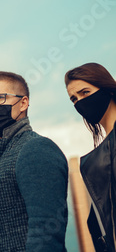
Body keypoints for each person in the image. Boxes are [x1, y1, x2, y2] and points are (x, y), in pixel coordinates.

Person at [0, 71, 68, 251]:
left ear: (23, 103)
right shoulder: (0, 155)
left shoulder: (36, 148)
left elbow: (46, 231)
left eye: (0, 98)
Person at [65, 62, 116, 252]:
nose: (79, 102)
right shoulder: (97, 157)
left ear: (107, 90)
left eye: (85, 93)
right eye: (73, 99)